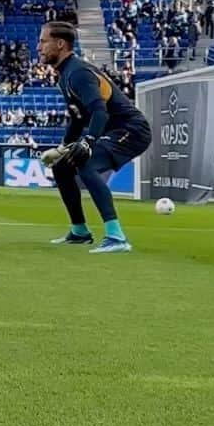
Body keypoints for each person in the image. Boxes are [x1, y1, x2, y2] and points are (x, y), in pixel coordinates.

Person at [36, 21, 152, 254]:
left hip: (131, 130)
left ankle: (116, 236)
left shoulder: (77, 73)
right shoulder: (65, 74)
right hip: (112, 130)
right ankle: (79, 231)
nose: (39, 47)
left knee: (85, 163)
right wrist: (62, 149)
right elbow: (78, 118)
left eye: (43, 41)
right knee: (62, 168)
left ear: (60, 44)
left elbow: (100, 111)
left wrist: (88, 142)